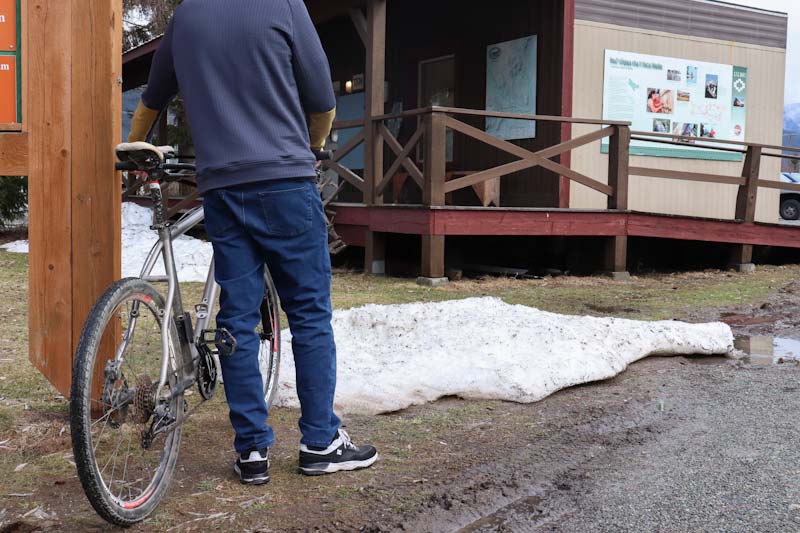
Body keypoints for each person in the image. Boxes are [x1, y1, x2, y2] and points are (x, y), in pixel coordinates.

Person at [127, 0, 378, 485]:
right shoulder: (284, 6)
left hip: (221, 188)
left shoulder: (186, 17)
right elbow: (323, 100)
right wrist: (314, 147)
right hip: (285, 181)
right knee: (307, 314)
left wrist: (136, 146)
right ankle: (320, 441)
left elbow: (152, 99)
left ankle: (252, 452)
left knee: (236, 318)